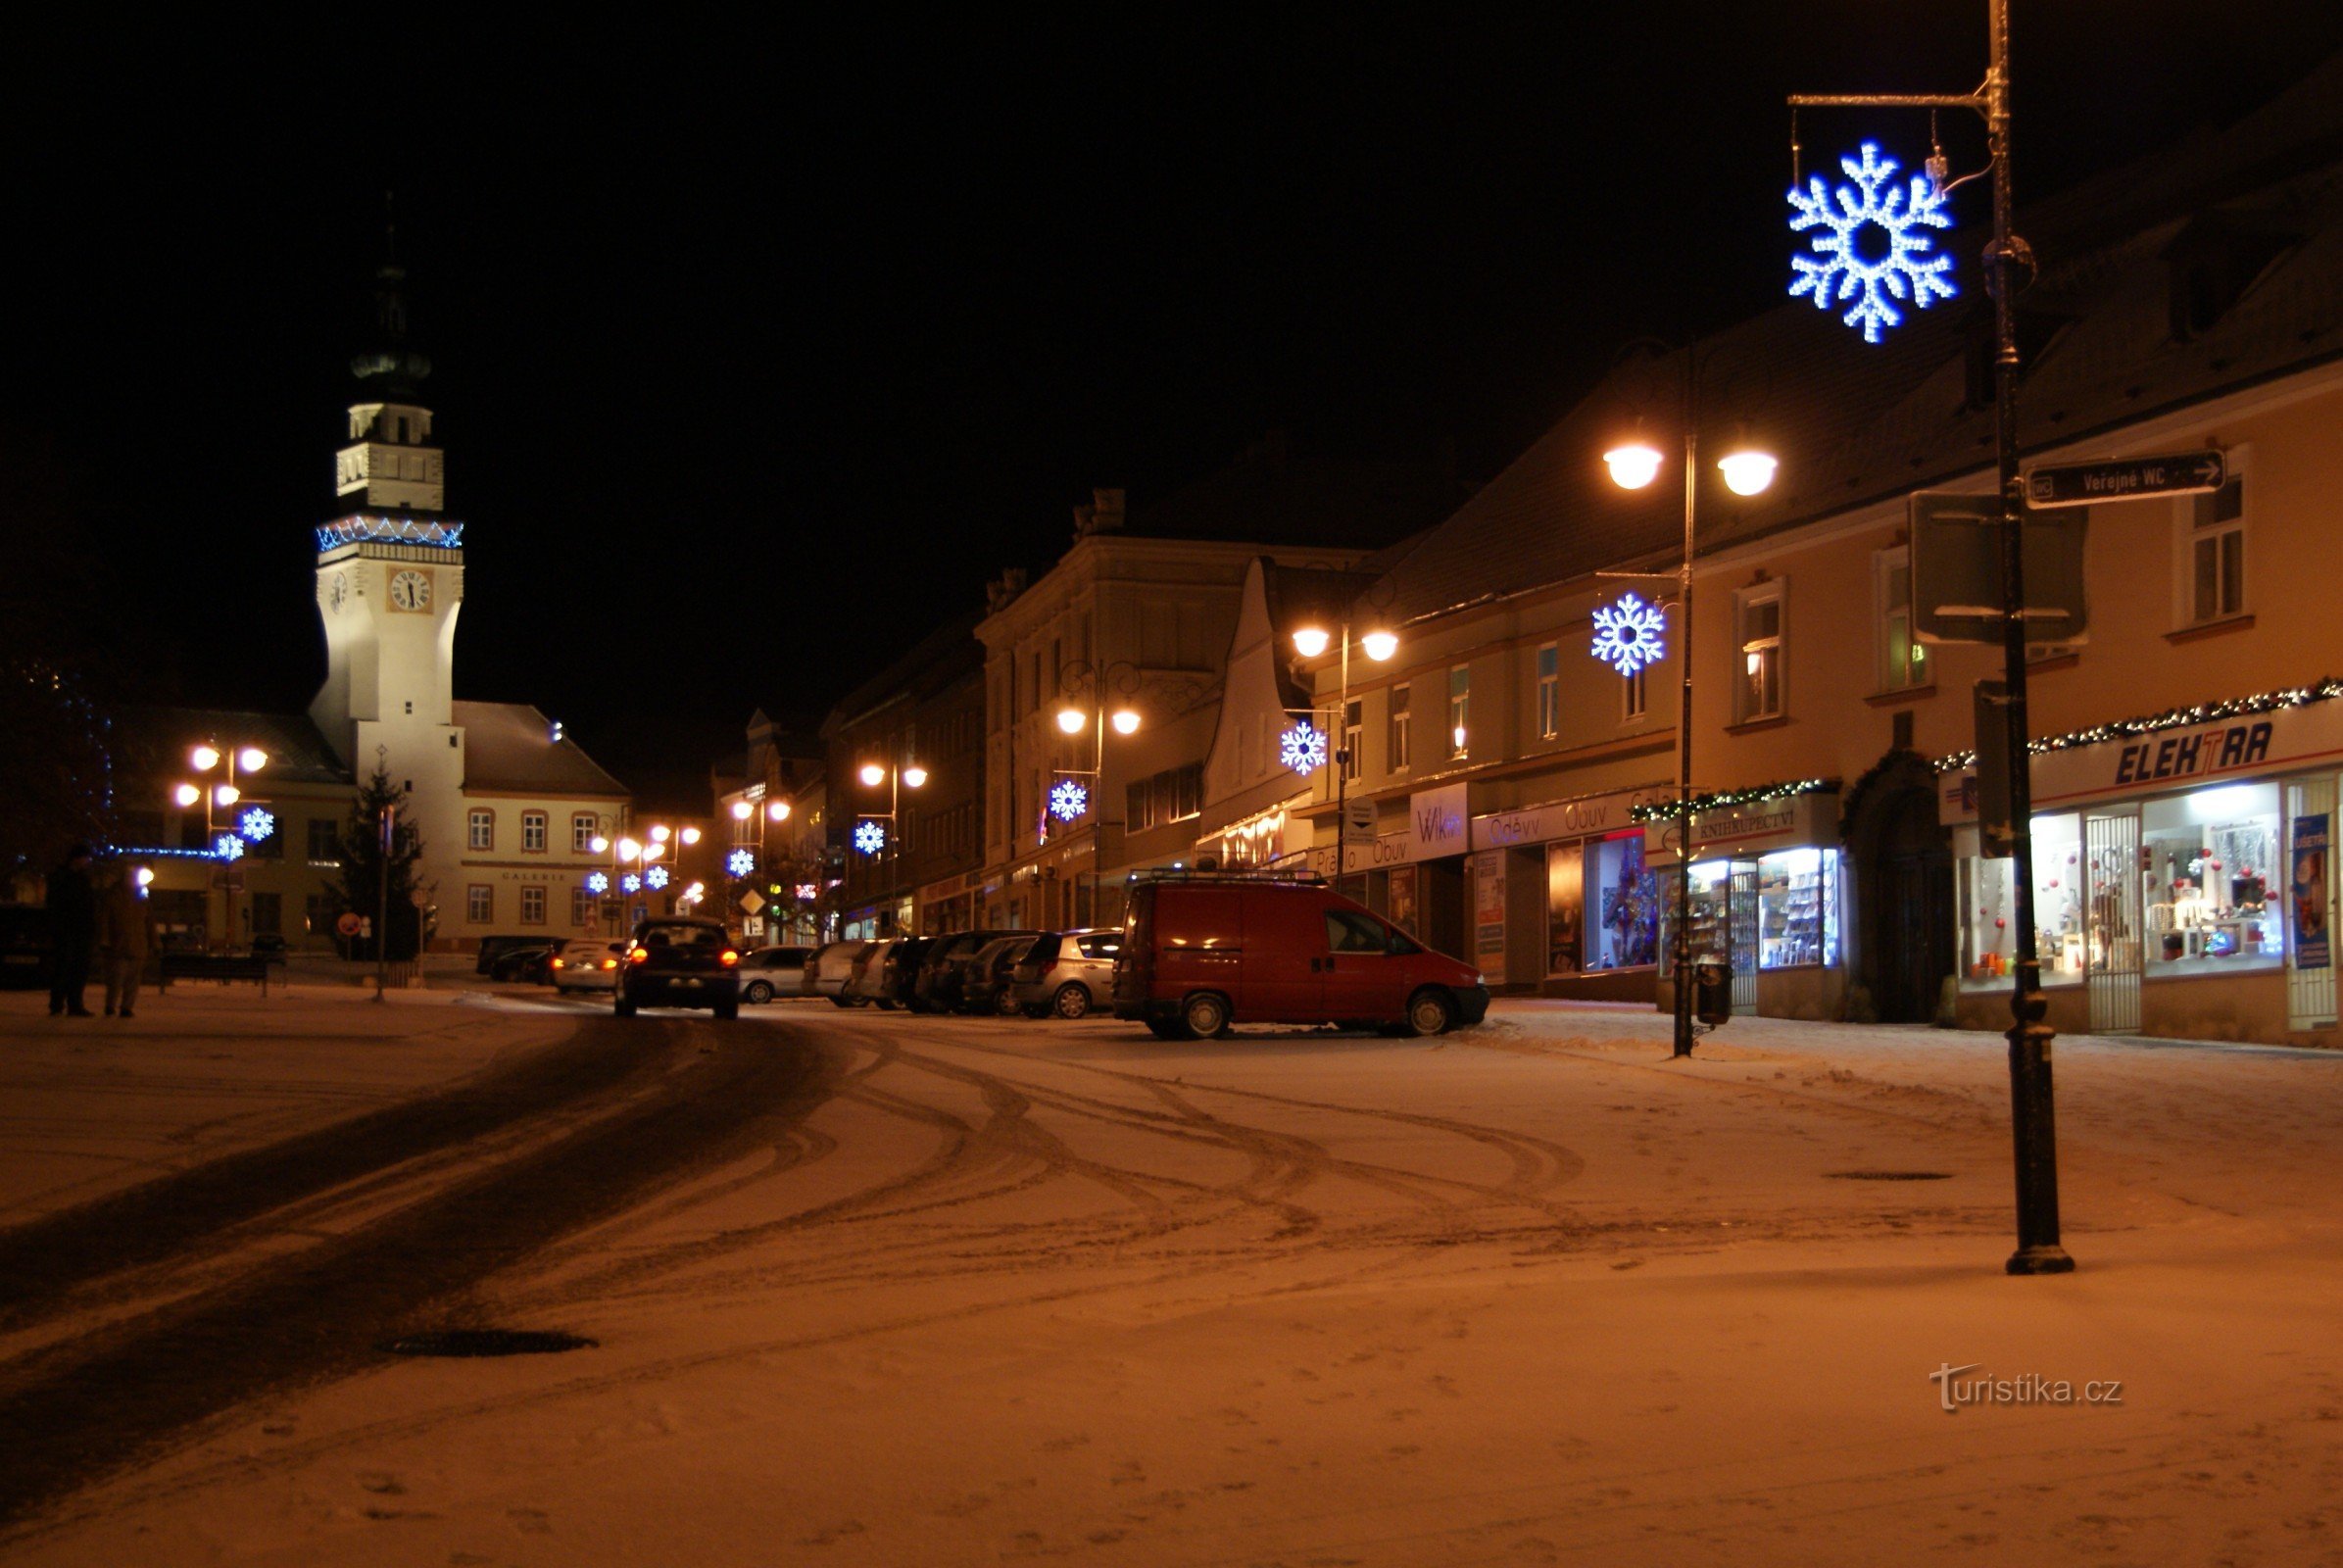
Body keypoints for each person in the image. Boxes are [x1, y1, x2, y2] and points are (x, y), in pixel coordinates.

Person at [45, 843, 99, 1017]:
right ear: (77, 858)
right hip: (67, 930)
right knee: (64, 967)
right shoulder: (62, 878)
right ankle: (58, 1003)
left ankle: (73, 1003)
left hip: (80, 930)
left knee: (78, 968)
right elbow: (56, 905)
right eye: (86, 858)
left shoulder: (82, 879)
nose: (88, 861)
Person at [99, 864, 156, 1018]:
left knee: (133, 980)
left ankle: (126, 1007)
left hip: (137, 944)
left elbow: (149, 922)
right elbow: (105, 919)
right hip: (119, 944)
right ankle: (110, 1005)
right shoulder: (114, 896)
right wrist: (105, 939)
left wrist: (154, 942)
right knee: (116, 979)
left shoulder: (142, 898)